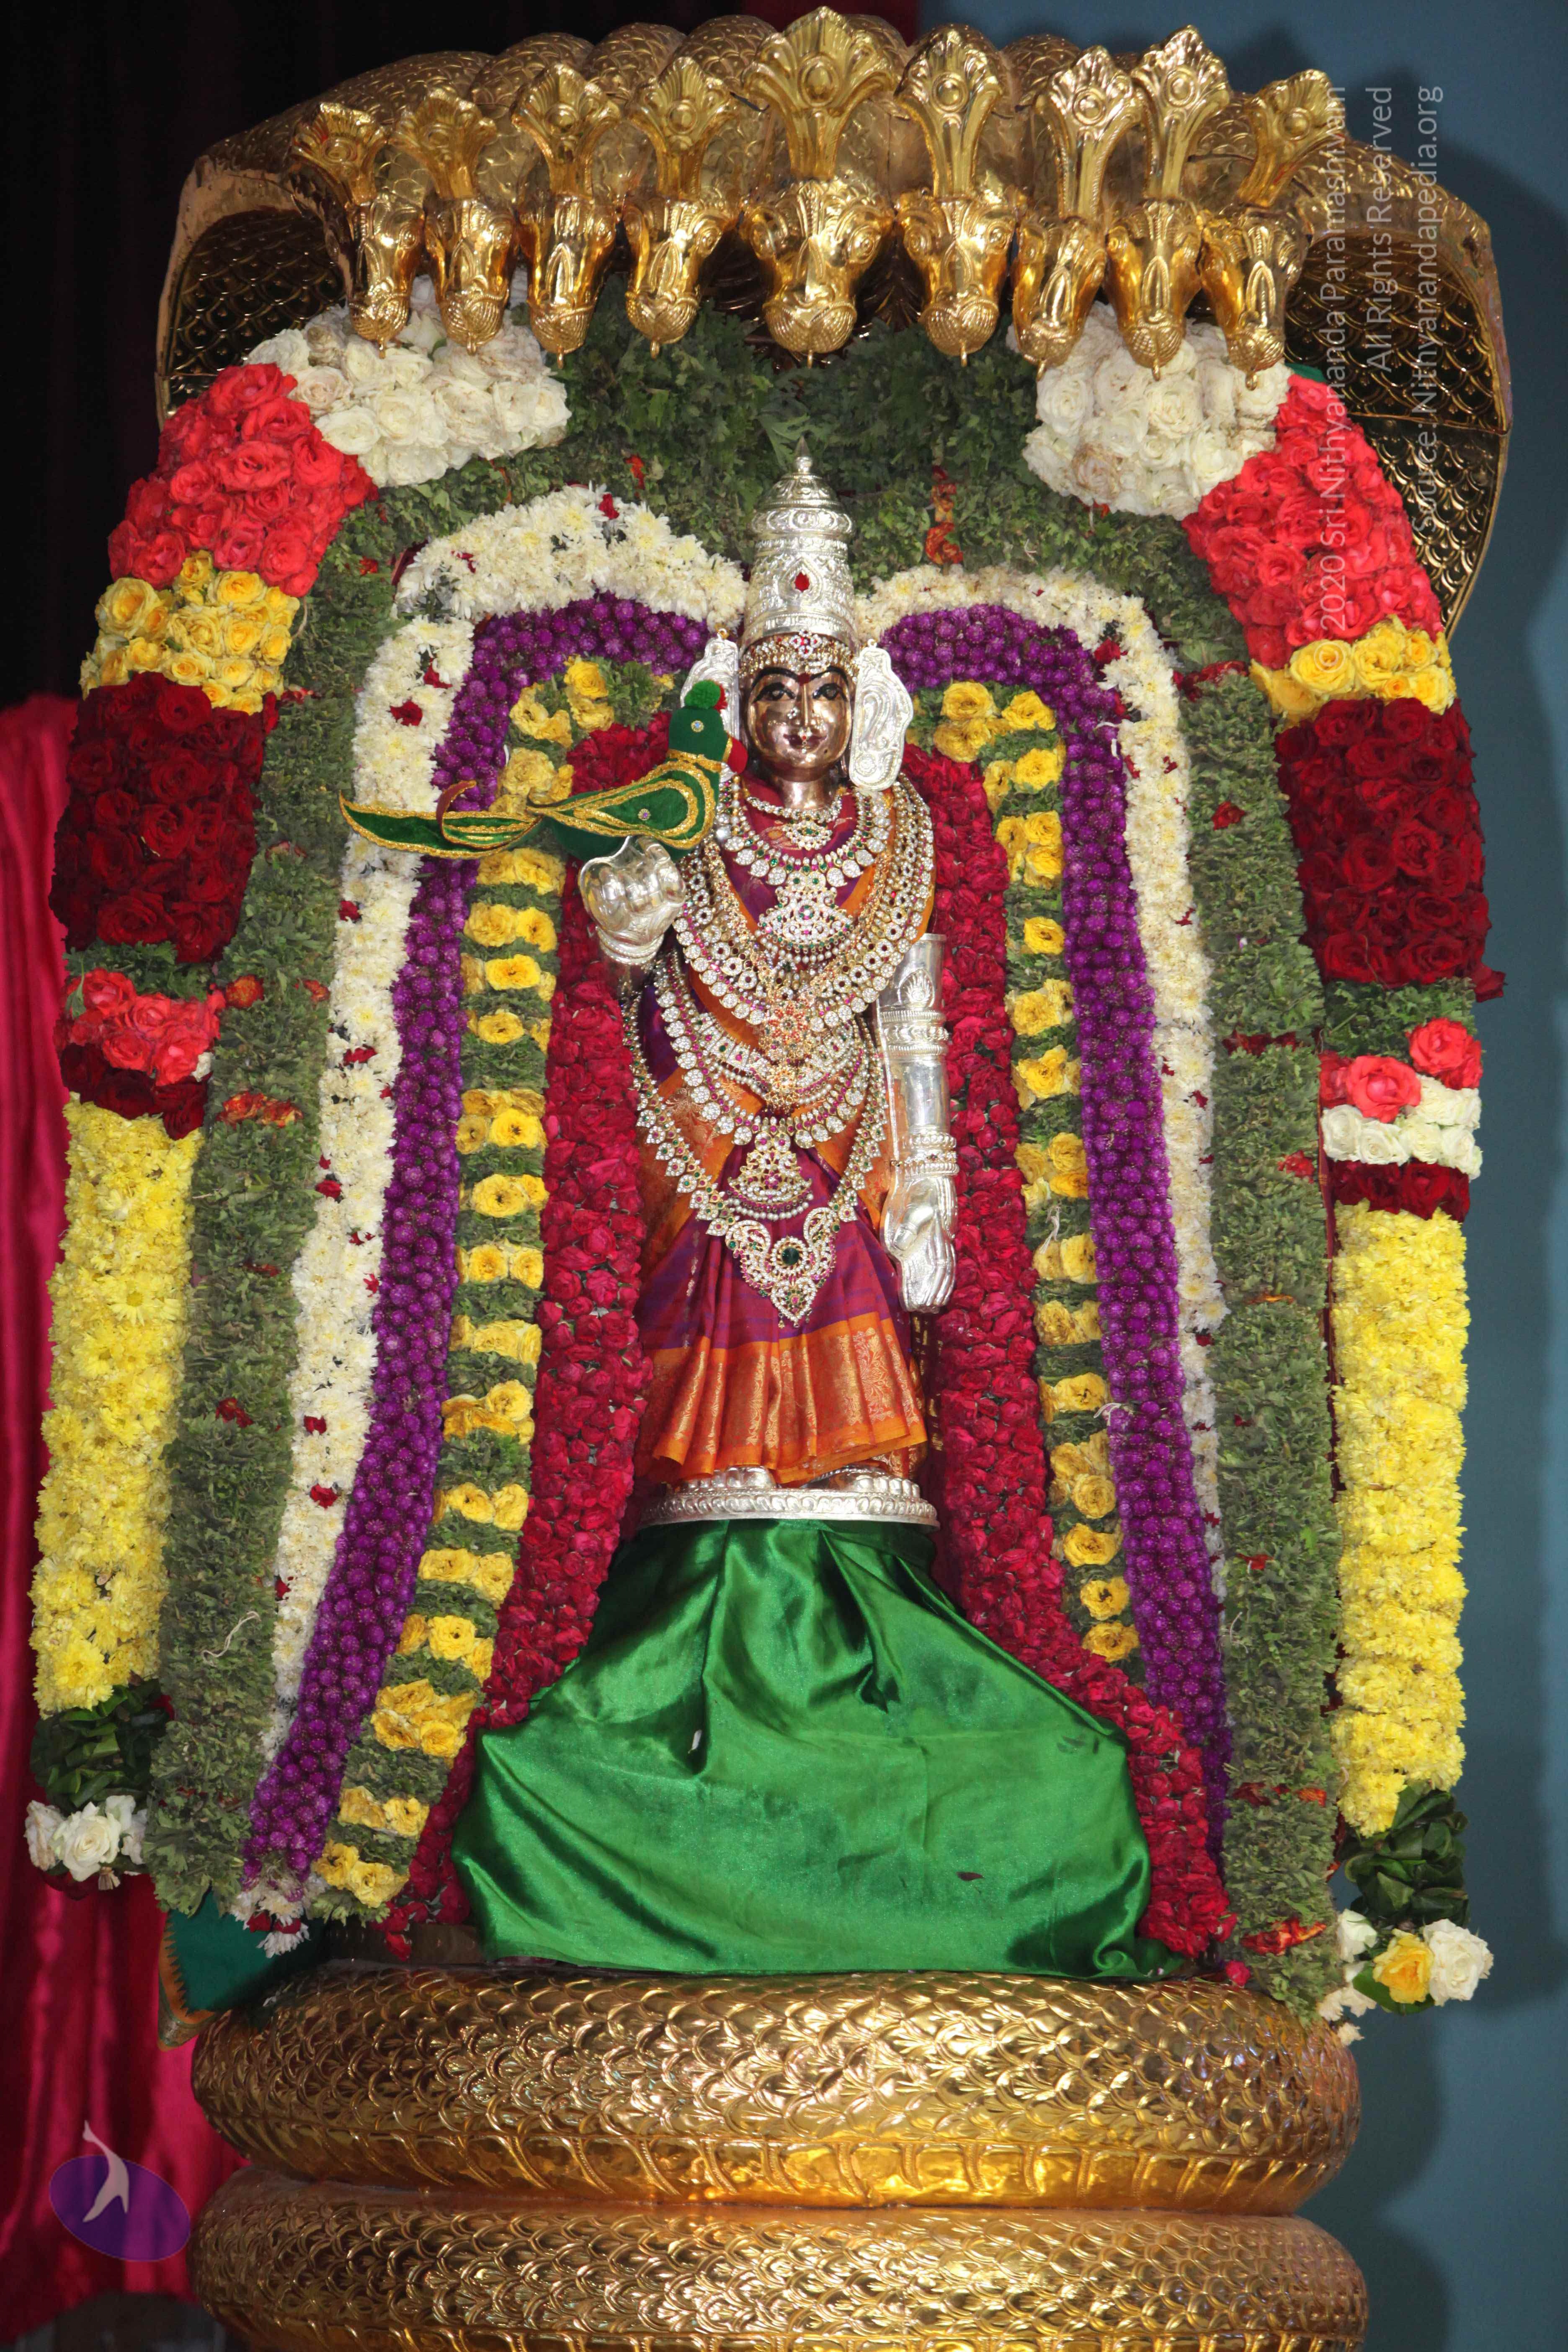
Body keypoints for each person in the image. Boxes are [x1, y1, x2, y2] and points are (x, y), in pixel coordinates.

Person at [452, 451, 1172, 1980]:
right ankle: (697, 1613)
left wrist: (930, 1183)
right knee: (705, 1340)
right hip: (698, 1141)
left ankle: (853, 1615)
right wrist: (629, 923)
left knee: (853, 1353)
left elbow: (912, 1021)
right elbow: (625, 987)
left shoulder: (898, 841)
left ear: (865, 710)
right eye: (774, 689)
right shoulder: (687, 819)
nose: (798, 717)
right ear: (736, 698)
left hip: (852, 1153)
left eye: (824, 693)